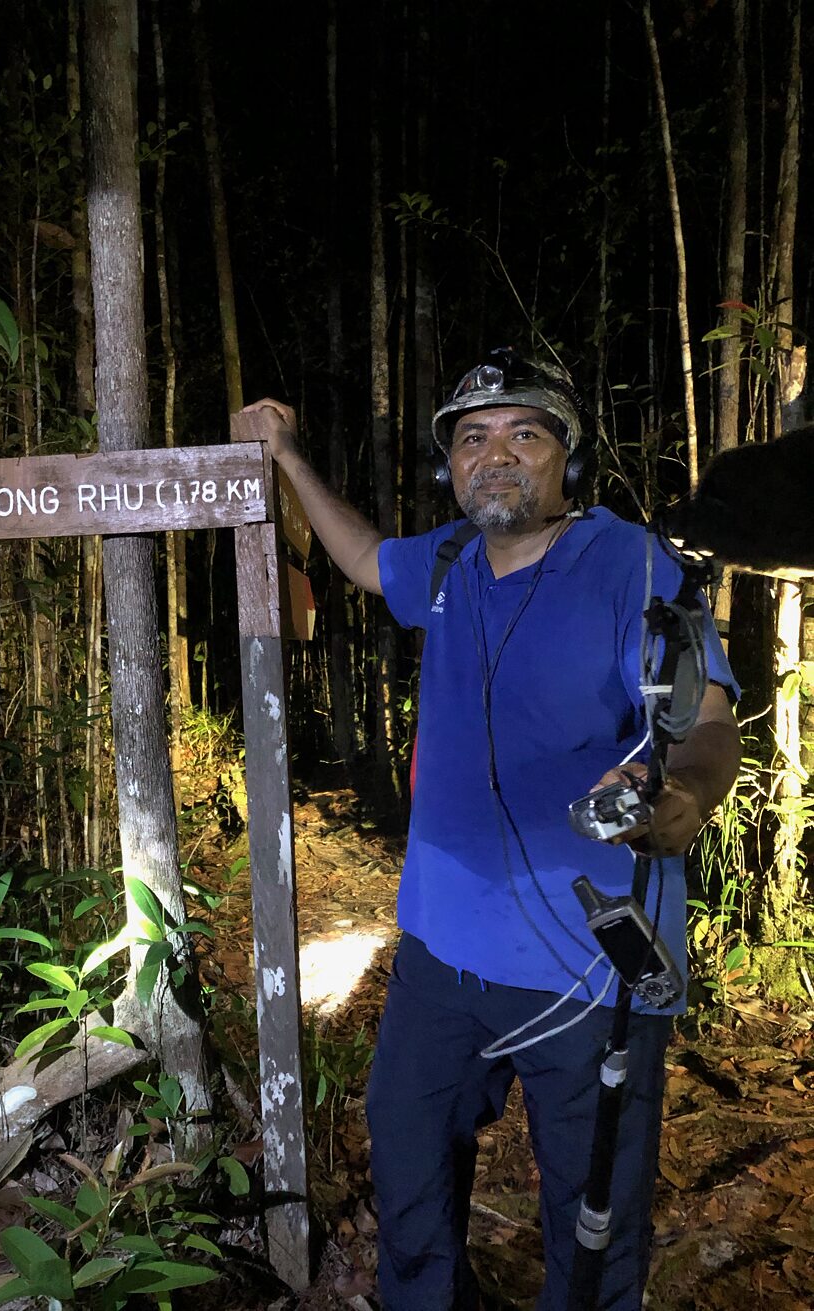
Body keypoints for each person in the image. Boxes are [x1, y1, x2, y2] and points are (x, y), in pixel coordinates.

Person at [243, 349, 741, 1311]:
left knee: (592, 1217)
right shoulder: (446, 567)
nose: (495, 454)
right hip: (440, 954)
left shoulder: (632, 563)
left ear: (566, 460)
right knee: (409, 1159)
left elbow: (710, 719)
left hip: (591, 961)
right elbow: (355, 554)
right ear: (451, 467)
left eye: (525, 432)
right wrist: (284, 454)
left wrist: (682, 796)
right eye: (472, 438)